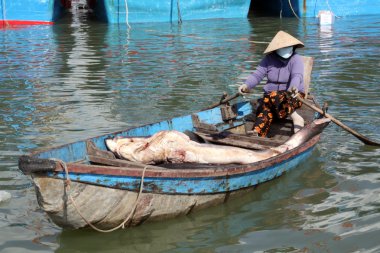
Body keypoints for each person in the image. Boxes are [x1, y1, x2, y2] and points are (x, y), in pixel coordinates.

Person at [238, 30, 306, 137]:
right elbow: (257, 75)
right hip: (270, 98)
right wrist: (246, 85)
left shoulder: (296, 59)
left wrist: (294, 87)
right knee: (264, 110)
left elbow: (296, 76)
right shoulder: (268, 59)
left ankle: (295, 116)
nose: (286, 49)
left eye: (289, 46)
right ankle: (257, 133)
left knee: (272, 97)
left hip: (293, 96)